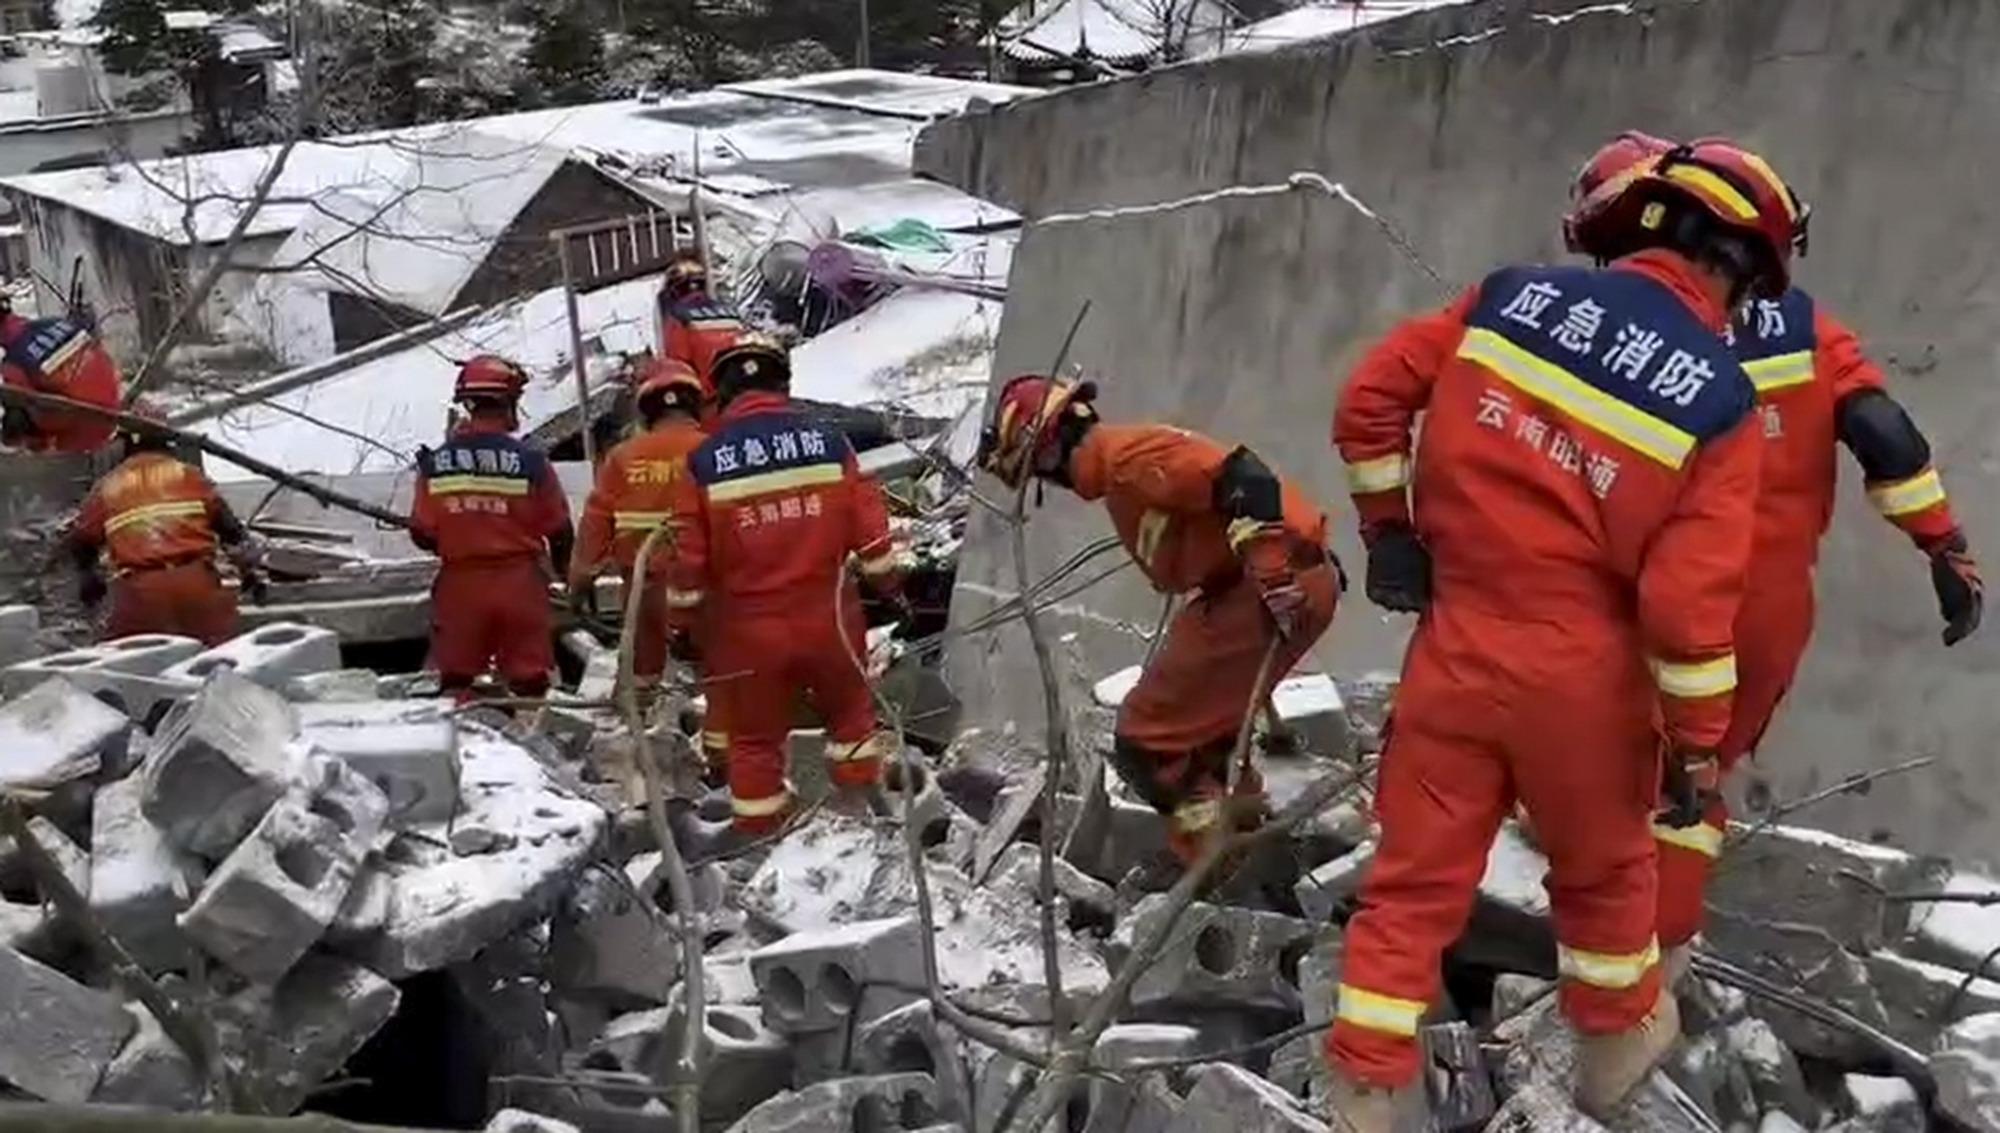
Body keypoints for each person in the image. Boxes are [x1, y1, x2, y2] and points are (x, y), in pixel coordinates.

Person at [1325, 139, 1801, 1128]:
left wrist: (1389, 534)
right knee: (1605, 881)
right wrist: (1692, 746)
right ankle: (1613, 1079)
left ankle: (1363, 1090)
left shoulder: (1504, 300)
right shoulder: (1717, 400)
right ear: (1740, 269)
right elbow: (1683, 612)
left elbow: (1368, 401)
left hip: (1452, 653)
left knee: (1408, 887)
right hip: (1585, 690)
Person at [1563, 131, 1984, 972]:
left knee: (1595, 775)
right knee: (1693, 787)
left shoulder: (1621, 332)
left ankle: (1586, 957)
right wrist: (1945, 545)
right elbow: (1883, 435)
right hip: (1764, 616)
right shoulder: (1805, 327)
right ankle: (1659, 959)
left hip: (1643, 603)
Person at [975, 377, 1340, 866]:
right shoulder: (1123, 467)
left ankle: (1214, 864)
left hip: (1266, 585)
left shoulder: (1129, 460)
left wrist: (1272, 572)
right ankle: (1255, 852)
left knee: (1148, 743)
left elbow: (1244, 478)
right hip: (1274, 583)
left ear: (1045, 452)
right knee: (1207, 741)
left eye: (1034, 470)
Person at [665, 333, 901, 838]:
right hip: (831, 619)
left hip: (748, 632)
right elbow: (872, 532)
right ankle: (864, 828)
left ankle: (761, 844)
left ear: (722, 392)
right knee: (851, 718)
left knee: (754, 740)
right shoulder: (829, 442)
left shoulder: (705, 463)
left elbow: (688, 561)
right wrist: (889, 587)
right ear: (783, 381)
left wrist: (682, 626)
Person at [409, 355, 574, 703]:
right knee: (530, 686)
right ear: (508, 402)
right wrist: (567, 579)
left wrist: (464, 532)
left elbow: (422, 533)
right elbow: (559, 530)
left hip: (461, 587)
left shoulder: (435, 464)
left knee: (457, 683)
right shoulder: (531, 462)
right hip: (520, 586)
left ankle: (463, 748)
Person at [570, 356, 710, 699]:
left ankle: (647, 741)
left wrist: (580, 583)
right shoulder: (714, 452)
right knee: (713, 683)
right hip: (704, 589)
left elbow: (594, 526)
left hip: (641, 592)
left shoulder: (622, 457)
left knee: (645, 683)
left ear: (646, 408)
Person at [69, 408, 264, 644]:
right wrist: (249, 574)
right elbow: (233, 535)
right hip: (197, 585)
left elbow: (82, 541)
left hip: (141, 593)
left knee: (134, 668)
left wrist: (88, 577)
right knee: (217, 665)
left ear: (127, 442)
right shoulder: (189, 476)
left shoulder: (108, 487)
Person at [1, 302, 122, 454]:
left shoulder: (13, 364)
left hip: (83, 435)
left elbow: (25, 409)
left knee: (16, 412)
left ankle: (37, 458)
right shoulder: (56, 322)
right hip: (112, 406)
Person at [657, 255, 744, 404]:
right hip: (740, 393)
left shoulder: (679, 318)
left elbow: (678, 368)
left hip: (708, 402)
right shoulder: (731, 313)